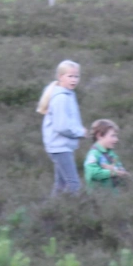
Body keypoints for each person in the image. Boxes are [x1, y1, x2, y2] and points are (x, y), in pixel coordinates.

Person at [38, 59, 86, 194]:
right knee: (74, 183)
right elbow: (61, 126)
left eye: (76, 76)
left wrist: (79, 131)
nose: (74, 80)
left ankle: (50, 210)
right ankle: (70, 210)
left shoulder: (68, 95)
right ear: (60, 77)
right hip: (60, 147)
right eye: (70, 76)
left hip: (61, 146)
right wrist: (79, 132)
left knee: (61, 184)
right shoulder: (61, 98)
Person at [83, 119, 127, 192]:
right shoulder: (93, 154)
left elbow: (121, 169)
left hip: (114, 196)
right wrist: (113, 172)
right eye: (113, 136)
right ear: (99, 135)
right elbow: (92, 173)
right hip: (99, 197)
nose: (116, 139)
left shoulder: (112, 154)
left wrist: (121, 172)